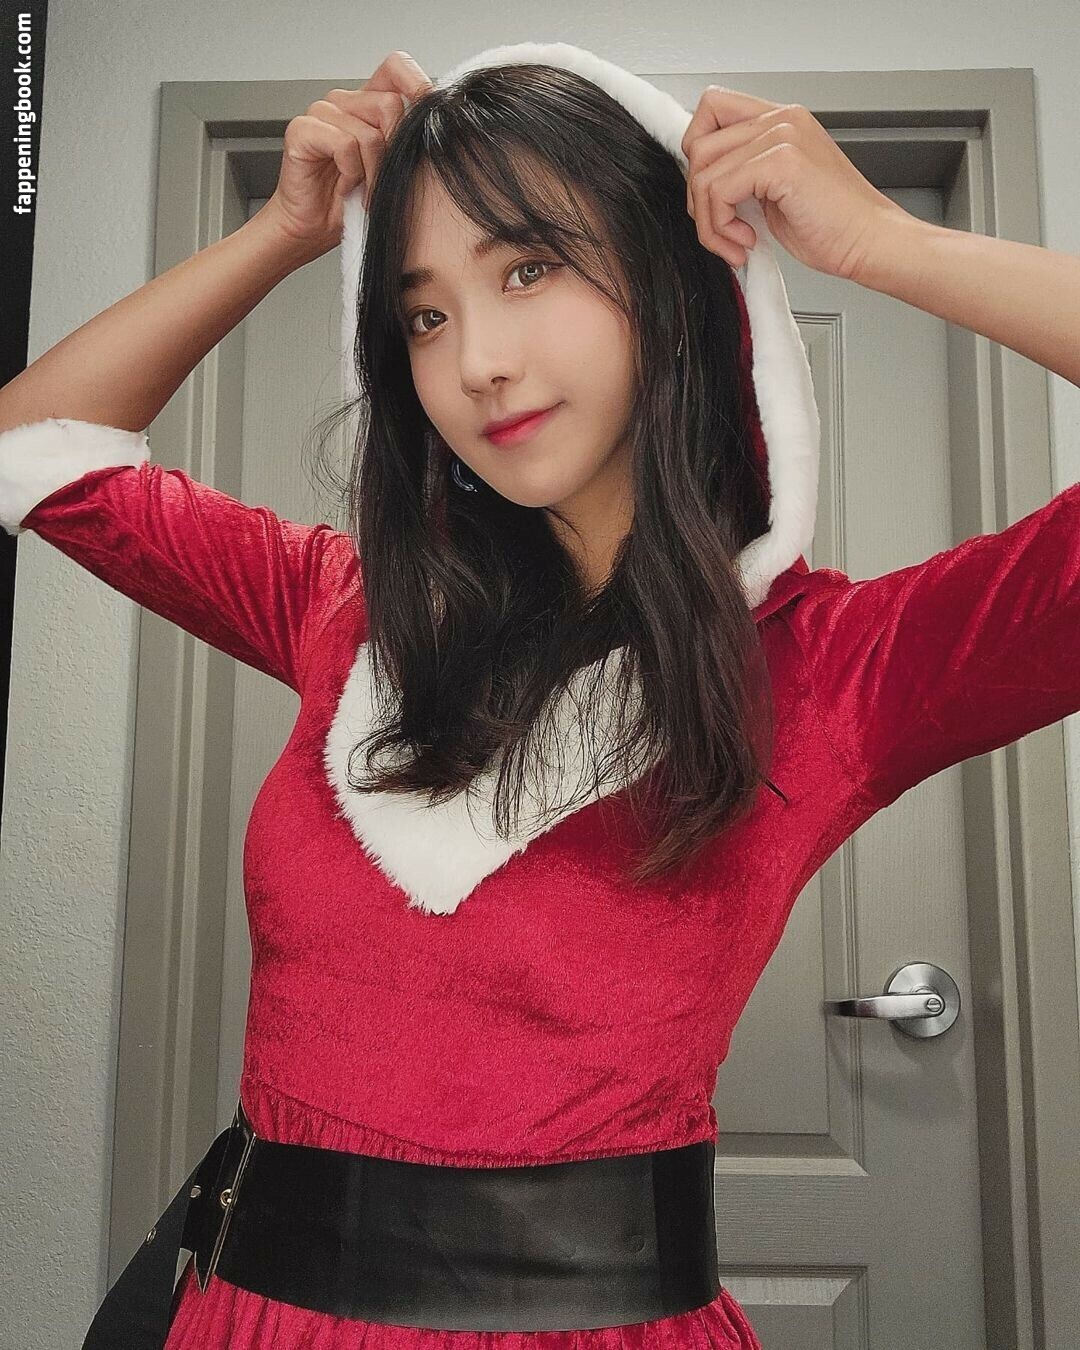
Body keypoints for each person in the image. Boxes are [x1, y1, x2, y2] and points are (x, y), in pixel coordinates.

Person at [1, 41, 1078, 1350]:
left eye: (526, 269)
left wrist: (886, 244)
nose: (478, 363)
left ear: (667, 283)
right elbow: (34, 449)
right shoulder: (350, 612)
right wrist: (282, 233)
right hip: (249, 1318)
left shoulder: (837, 671)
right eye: (425, 314)